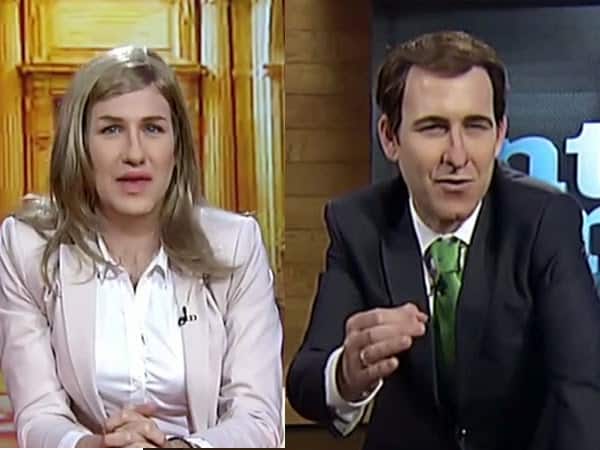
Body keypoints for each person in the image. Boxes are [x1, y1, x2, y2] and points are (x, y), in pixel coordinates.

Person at [286, 30, 600, 450]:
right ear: (390, 137)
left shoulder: (544, 221)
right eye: (434, 128)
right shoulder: (358, 224)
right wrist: (347, 372)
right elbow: (306, 380)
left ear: (500, 134)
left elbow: (581, 387)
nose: (457, 156)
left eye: (476, 127)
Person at [0, 46, 283, 448]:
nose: (134, 154)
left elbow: (258, 418)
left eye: (152, 129)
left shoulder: (235, 246)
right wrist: (97, 447)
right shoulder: (28, 248)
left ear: (176, 147)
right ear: (80, 146)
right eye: (111, 130)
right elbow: (38, 415)